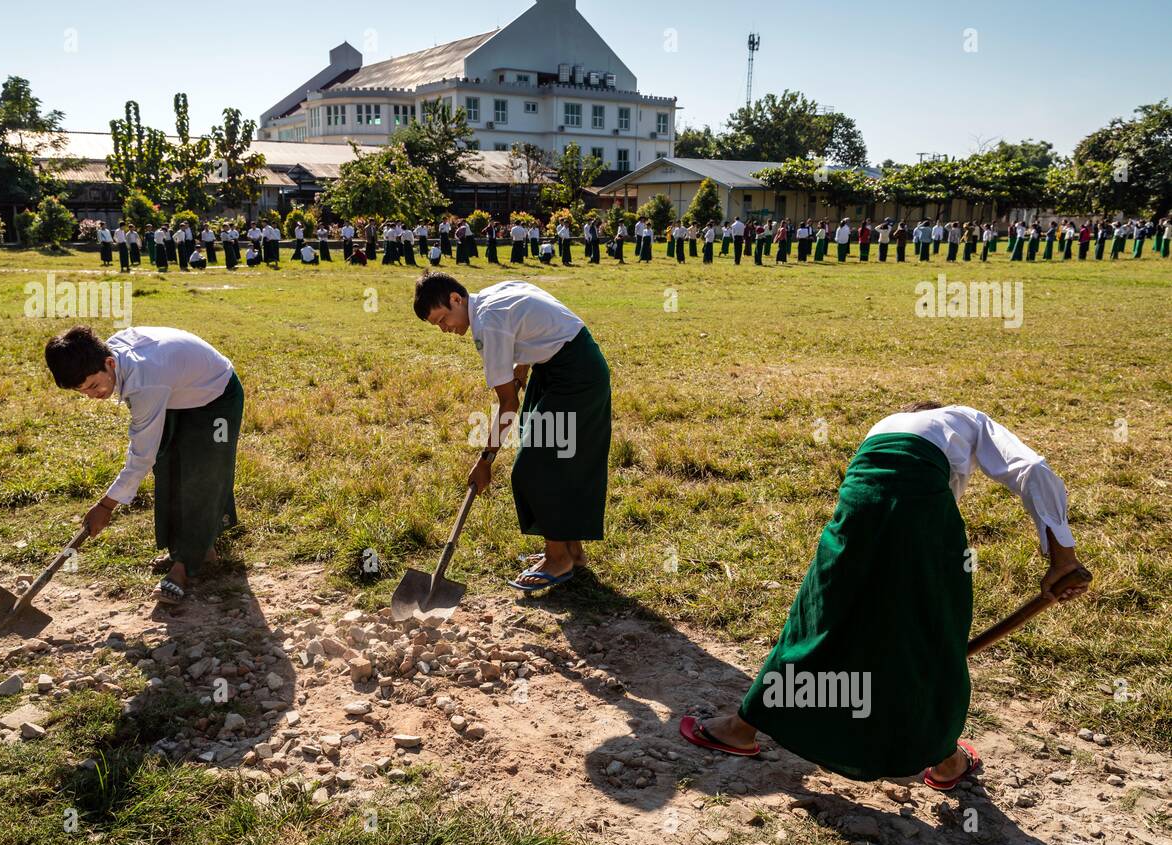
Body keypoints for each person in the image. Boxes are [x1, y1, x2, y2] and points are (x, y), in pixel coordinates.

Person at [679, 402, 1088, 789]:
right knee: (933, 632)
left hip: (856, 505)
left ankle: (740, 727)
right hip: (921, 511)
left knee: (822, 620)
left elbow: (892, 498)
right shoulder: (964, 418)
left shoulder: (883, 430)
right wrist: (1062, 557)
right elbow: (1030, 466)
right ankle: (945, 760)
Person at [413, 273, 611, 594]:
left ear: (455, 298)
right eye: (437, 326)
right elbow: (533, 312)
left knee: (534, 467)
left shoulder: (487, 325)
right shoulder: (492, 296)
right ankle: (571, 552)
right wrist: (524, 361)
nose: (445, 329)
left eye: (443, 319)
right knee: (556, 458)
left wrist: (485, 461)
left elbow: (508, 404)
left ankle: (556, 558)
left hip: (575, 375)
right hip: (563, 362)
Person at [44, 325, 244, 606]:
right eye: (83, 391)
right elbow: (150, 451)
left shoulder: (146, 381)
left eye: (93, 386)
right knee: (168, 466)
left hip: (216, 395)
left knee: (204, 474)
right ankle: (193, 550)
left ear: (109, 363)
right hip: (177, 394)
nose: (92, 395)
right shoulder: (111, 357)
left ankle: (184, 567)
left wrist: (106, 506)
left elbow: (141, 456)